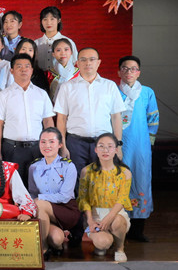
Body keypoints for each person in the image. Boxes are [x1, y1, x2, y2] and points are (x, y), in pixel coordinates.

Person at [54, 47, 126, 193]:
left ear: (98, 62)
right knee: (76, 184)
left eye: (92, 59)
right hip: (75, 143)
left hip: (103, 143)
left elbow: (116, 117)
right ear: (77, 63)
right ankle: (80, 209)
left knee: (103, 184)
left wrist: (118, 145)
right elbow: (61, 118)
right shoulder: (67, 87)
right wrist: (63, 146)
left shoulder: (109, 86)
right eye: (83, 60)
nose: (88, 63)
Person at [0, 53, 55, 183]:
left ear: (32, 70)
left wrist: (52, 146)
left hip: (37, 148)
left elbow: (48, 121)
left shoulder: (41, 94)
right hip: (12, 149)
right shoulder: (3, 95)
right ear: (12, 71)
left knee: (38, 186)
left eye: (27, 66)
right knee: (14, 187)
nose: (23, 69)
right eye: (19, 66)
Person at [118, 55, 159, 242]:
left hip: (141, 146)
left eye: (133, 69)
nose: (129, 72)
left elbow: (153, 118)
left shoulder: (147, 92)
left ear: (139, 72)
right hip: (120, 145)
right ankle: (119, 227)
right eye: (125, 68)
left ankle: (137, 230)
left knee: (140, 182)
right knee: (119, 183)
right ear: (119, 71)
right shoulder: (113, 91)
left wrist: (149, 143)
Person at [77, 133, 132, 262]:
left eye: (109, 146)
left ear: (116, 150)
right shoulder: (86, 171)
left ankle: (119, 248)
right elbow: (83, 199)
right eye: (101, 146)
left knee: (117, 222)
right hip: (94, 215)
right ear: (96, 150)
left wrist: (109, 217)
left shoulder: (125, 173)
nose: (105, 150)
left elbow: (122, 198)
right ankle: (106, 241)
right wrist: (90, 221)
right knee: (103, 244)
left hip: (116, 214)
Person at [28, 128, 80, 257]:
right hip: (43, 212)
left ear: (60, 144)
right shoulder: (34, 167)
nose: (47, 145)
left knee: (40, 203)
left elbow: (65, 196)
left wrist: (40, 198)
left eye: (51, 142)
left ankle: (42, 249)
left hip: (66, 209)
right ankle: (51, 245)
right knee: (56, 239)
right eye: (43, 142)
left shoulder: (68, 166)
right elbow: (32, 193)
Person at [35, 6, 77, 73]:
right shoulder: (35, 44)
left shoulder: (68, 42)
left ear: (59, 20)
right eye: (45, 19)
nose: (48, 23)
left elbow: (75, 63)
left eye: (52, 19)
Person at [49, 37, 80, 102]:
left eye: (66, 49)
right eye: (58, 50)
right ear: (53, 54)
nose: (63, 53)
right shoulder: (48, 74)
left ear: (71, 52)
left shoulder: (80, 73)